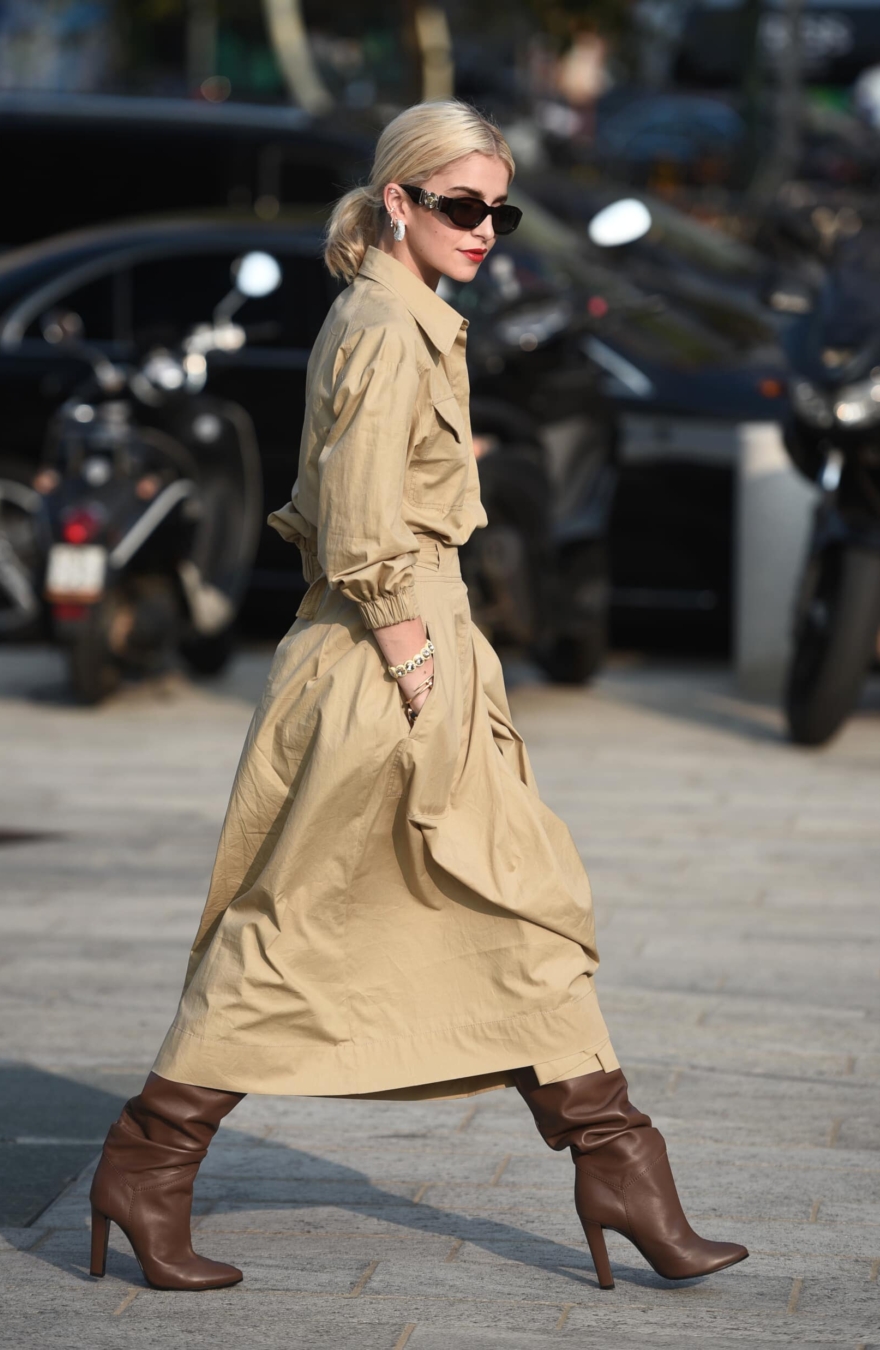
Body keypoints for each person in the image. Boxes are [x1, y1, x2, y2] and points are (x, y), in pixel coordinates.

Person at [88, 100, 747, 1294]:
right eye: (459, 205)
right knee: (296, 925)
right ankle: (147, 1162)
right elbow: (351, 515)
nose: (484, 227)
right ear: (397, 201)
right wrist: (409, 648)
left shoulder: (407, 316)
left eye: (499, 208)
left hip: (423, 647)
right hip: (386, 661)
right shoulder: (389, 323)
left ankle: (622, 1169)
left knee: (522, 910)